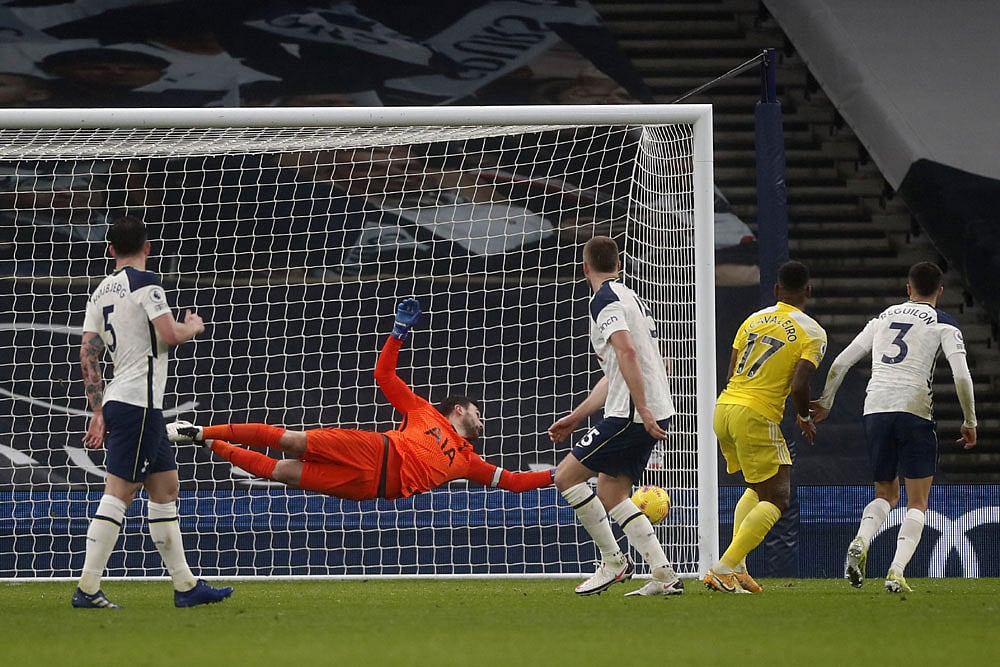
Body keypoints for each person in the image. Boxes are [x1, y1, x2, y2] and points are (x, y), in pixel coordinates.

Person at [167, 298, 555, 501]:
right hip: (374, 450)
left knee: (282, 473)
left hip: (370, 489)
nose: (482, 421)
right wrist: (398, 333)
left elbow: (516, 482)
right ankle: (200, 428)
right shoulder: (422, 411)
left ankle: (204, 439)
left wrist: (559, 474)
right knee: (291, 441)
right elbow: (384, 375)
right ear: (458, 409)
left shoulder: (469, 462)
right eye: (478, 412)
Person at [74, 216, 233, 609]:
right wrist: (192, 326)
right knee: (120, 491)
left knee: (165, 488)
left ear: (110, 250)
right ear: (147, 247)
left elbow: (87, 353)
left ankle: (185, 587)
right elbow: (168, 334)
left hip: (126, 401)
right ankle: (87, 588)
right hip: (137, 404)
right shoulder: (147, 284)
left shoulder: (99, 293)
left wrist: (97, 409)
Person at [811, 261, 977, 593]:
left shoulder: (884, 318)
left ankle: (861, 538)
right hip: (914, 409)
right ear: (940, 292)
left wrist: (826, 401)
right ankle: (896, 571)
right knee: (917, 502)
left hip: (875, 408)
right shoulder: (944, 324)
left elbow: (842, 360)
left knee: (885, 494)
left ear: (908, 289)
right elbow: (961, 375)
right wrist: (969, 420)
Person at [547, 235, 683, 597]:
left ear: (584, 267)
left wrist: (641, 409)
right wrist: (577, 417)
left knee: (566, 477)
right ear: (618, 264)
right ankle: (664, 575)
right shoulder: (629, 296)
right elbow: (615, 371)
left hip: (631, 414)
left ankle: (613, 561)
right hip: (648, 409)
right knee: (611, 491)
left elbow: (627, 353)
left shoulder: (604, 300)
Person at [705, 260, 827, 593]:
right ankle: (724, 566)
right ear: (808, 292)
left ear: (776, 290)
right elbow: (801, 385)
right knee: (779, 498)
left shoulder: (753, 319)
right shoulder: (812, 331)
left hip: (725, 407)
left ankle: (738, 569)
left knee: (758, 488)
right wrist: (803, 417)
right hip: (755, 414)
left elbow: (730, 372)